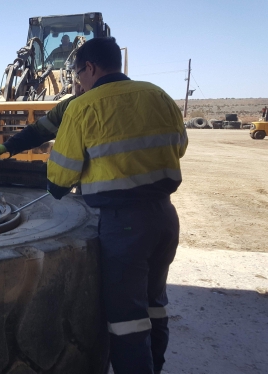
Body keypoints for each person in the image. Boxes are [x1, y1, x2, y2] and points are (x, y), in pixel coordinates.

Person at [47, 37, 187, 374]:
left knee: (128, 321)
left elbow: (59, 180)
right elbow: (179, 146)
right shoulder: (158, 95)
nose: (79, 82)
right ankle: (156, 366)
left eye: (79, 75)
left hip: (124, 227)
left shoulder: (83, 107)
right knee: (155, 305)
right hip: (165, 218)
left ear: (90, 68)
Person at [0, 82, 84, 158]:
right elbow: (38, 131)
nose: (77, 86)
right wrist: (7, 146)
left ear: (91, 69)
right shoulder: (68, 106)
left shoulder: (94, 106)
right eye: (76, 81)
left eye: (79, 77)